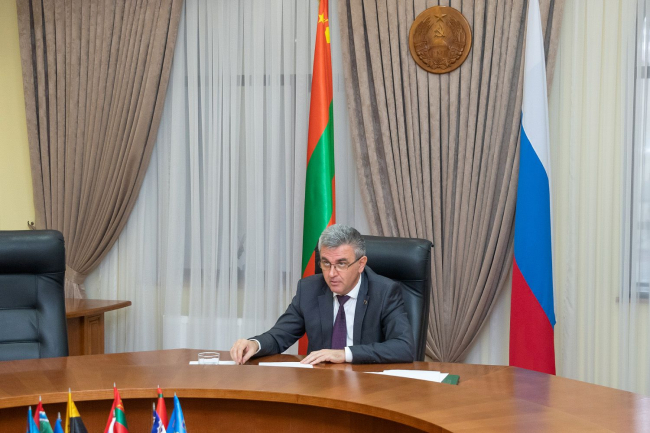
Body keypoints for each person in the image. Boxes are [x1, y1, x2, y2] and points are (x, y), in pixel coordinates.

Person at [230, 224, 414, 365]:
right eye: (326, 263)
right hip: (320, 382)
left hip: (367, 384)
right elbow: (280, 335)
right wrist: (255, 344)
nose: (331, 273)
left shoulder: (384, 292)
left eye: (341, 264)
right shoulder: (309, 289)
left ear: (361, 264)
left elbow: (404, 347)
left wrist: (345, 354)